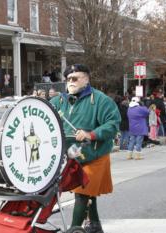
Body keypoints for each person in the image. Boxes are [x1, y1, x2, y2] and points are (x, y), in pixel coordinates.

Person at [50, 64, 121, 233]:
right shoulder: (58, 101)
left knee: (82, 191)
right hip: (71, 156)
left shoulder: (101, 100)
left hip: (94, 155)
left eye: (75, 78)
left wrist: (91, 134)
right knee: (88, 192)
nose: (71, 82)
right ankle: (95, 226)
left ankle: (75, 229)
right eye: (68, 79)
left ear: (86, 79)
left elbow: (113, 124)